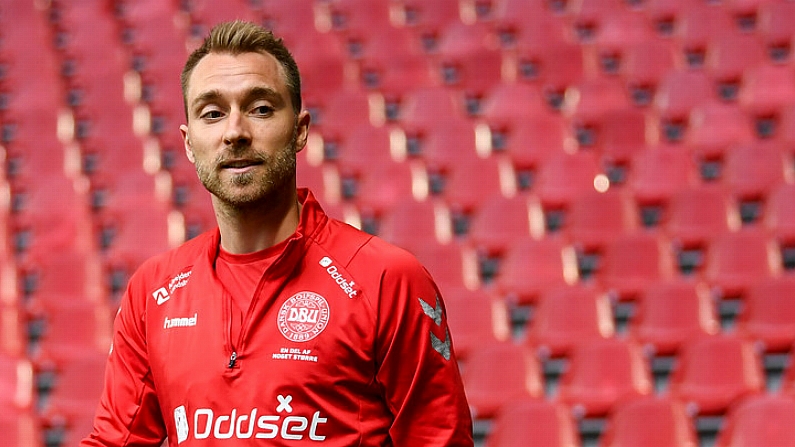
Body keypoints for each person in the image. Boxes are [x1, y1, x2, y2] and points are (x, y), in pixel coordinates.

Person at [80, 20, 474, 446]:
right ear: (190, 142)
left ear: (300, 129)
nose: (234, 133)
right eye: (212, 114)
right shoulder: (152, 292)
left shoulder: (387, 279)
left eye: (261, 108)